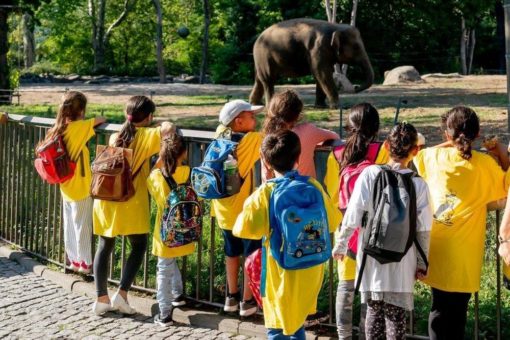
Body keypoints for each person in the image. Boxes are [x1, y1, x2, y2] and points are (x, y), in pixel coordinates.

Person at [233, 130, 341, 339]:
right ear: (299, 158)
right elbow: (333, 221)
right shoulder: (313, 186)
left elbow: (242, 228)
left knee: (277, 327)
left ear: (266, 161)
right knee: (297, 323)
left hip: (280, 268)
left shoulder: (265, 193)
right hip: (311, 266)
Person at [414, 106, 510, 339]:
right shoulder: (485, 165)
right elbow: (507, 183)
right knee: (458, 313)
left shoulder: (433, 157)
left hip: (437, 248)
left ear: (447, 134)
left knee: (438, 309)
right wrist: (498, 150)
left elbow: (417, 155)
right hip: (466, 254)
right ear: (477, 135)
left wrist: (450, 142)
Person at [334, 122, 432, 340]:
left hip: (371, 258)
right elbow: (423, 229)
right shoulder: (419, 184)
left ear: (386, 146)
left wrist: (341, 244)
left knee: (373, 314)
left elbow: (353, 213)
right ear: (415, 151)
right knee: (396, 319)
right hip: (402, 259)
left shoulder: (370, 173)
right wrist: (422, 262)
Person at [92, 95, 172, 316]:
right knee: (138, 246)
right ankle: (122, 294)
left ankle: (101, 298)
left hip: (107, 199)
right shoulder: (147, 135)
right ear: (149, 116)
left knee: (104, 246)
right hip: (131, 200)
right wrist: (162, 124)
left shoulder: (114, 135)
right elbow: (169, 129)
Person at [323, 103, 388, 339]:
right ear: (376, 127)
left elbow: (333, 195)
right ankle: (366, 334)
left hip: (347, 230)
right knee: (368, 289)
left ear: (349, 127)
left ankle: (344, 336)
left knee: (346, 286)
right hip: (375, 231)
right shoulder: (383, 151)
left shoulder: (336, 154)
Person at [212, 99, 263, 316]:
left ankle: (230, 297)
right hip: (243, 210)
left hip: (223, 208)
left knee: (231, 253)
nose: (256, 119)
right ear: (239, 121)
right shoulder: (250, 140)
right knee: (250, 254)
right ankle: (247, 300)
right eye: (251, 116)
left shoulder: (220, 133)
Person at [44, 91, 105, 274]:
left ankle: (73, 261)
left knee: (70, 225)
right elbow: (101, 119)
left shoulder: (57, 128)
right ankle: (85, 264)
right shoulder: (79, 127)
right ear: (81, 111)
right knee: (83, 226)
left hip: (66, 185)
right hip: (80, 185)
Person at [147, 125, 194, 326]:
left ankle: (165, 313)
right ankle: (177, 294)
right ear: (183, 153)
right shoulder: (188, 172)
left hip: (166, 233)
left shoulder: (156, 177)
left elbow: (150, 181)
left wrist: (159, 161)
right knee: (170, 262)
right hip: (187, 230)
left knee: (163, 268)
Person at [262, 89, 339, 179]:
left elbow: (265, 177)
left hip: (276, 191)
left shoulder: (267, 141)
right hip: (307, 189)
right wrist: (314, 143)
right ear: (298, 114)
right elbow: (335, 136)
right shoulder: (308, 131)